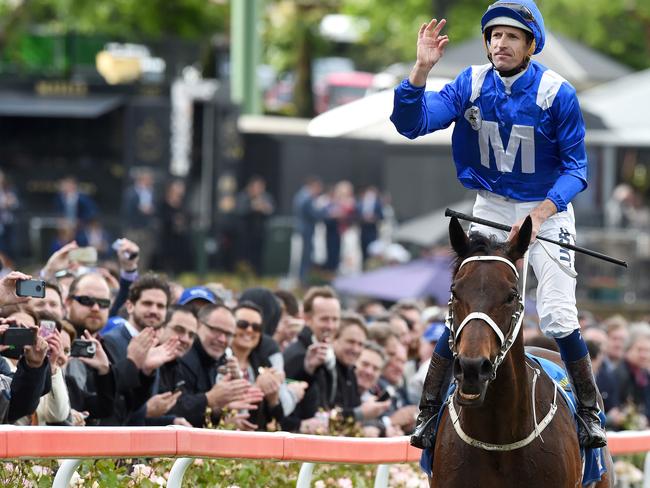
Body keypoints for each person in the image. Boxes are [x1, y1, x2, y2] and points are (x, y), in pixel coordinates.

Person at [390, 0, 606, 450]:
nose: (499, 43)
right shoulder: (469, 83)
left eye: (511, 36)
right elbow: (411, 124)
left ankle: (589, 409)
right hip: (488, 204)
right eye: (494, 35)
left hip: (546, 208)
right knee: (471, 304)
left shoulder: (557, 92)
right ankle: (429, 411)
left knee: (557, 312)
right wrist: (420, 71)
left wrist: (542, 212)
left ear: (531, 45)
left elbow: (577, 169)